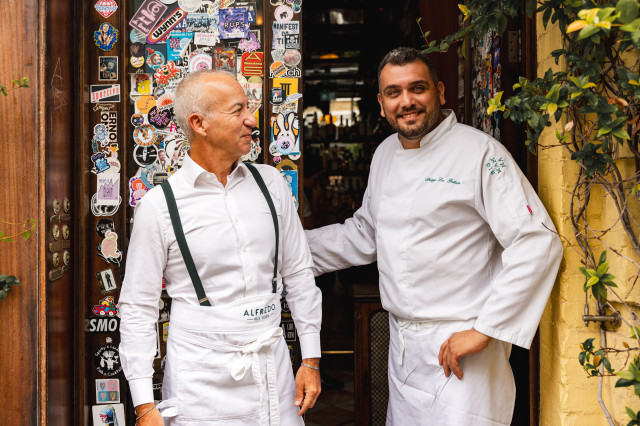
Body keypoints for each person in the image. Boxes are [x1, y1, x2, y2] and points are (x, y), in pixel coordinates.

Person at [304, 47, 563, 425]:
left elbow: (537, 240)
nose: (406, 102)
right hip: (404, 347)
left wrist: (484, 330)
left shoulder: (480, 153)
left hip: (463, 348)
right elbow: (365, 235)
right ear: (381, 103)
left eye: (417, 89)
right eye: (394, 92)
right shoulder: (385, 155)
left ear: (440, 91)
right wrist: (283, 251)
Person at [119, 69, 322, 426]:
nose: (251, 120)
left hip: (272, 366)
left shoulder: (271, 184)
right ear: (200, 123)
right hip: (199, 378)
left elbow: (300, 274)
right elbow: (138, 306)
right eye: (237, 110)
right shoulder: (159, 205)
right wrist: (143, 405)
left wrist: (310, 360)